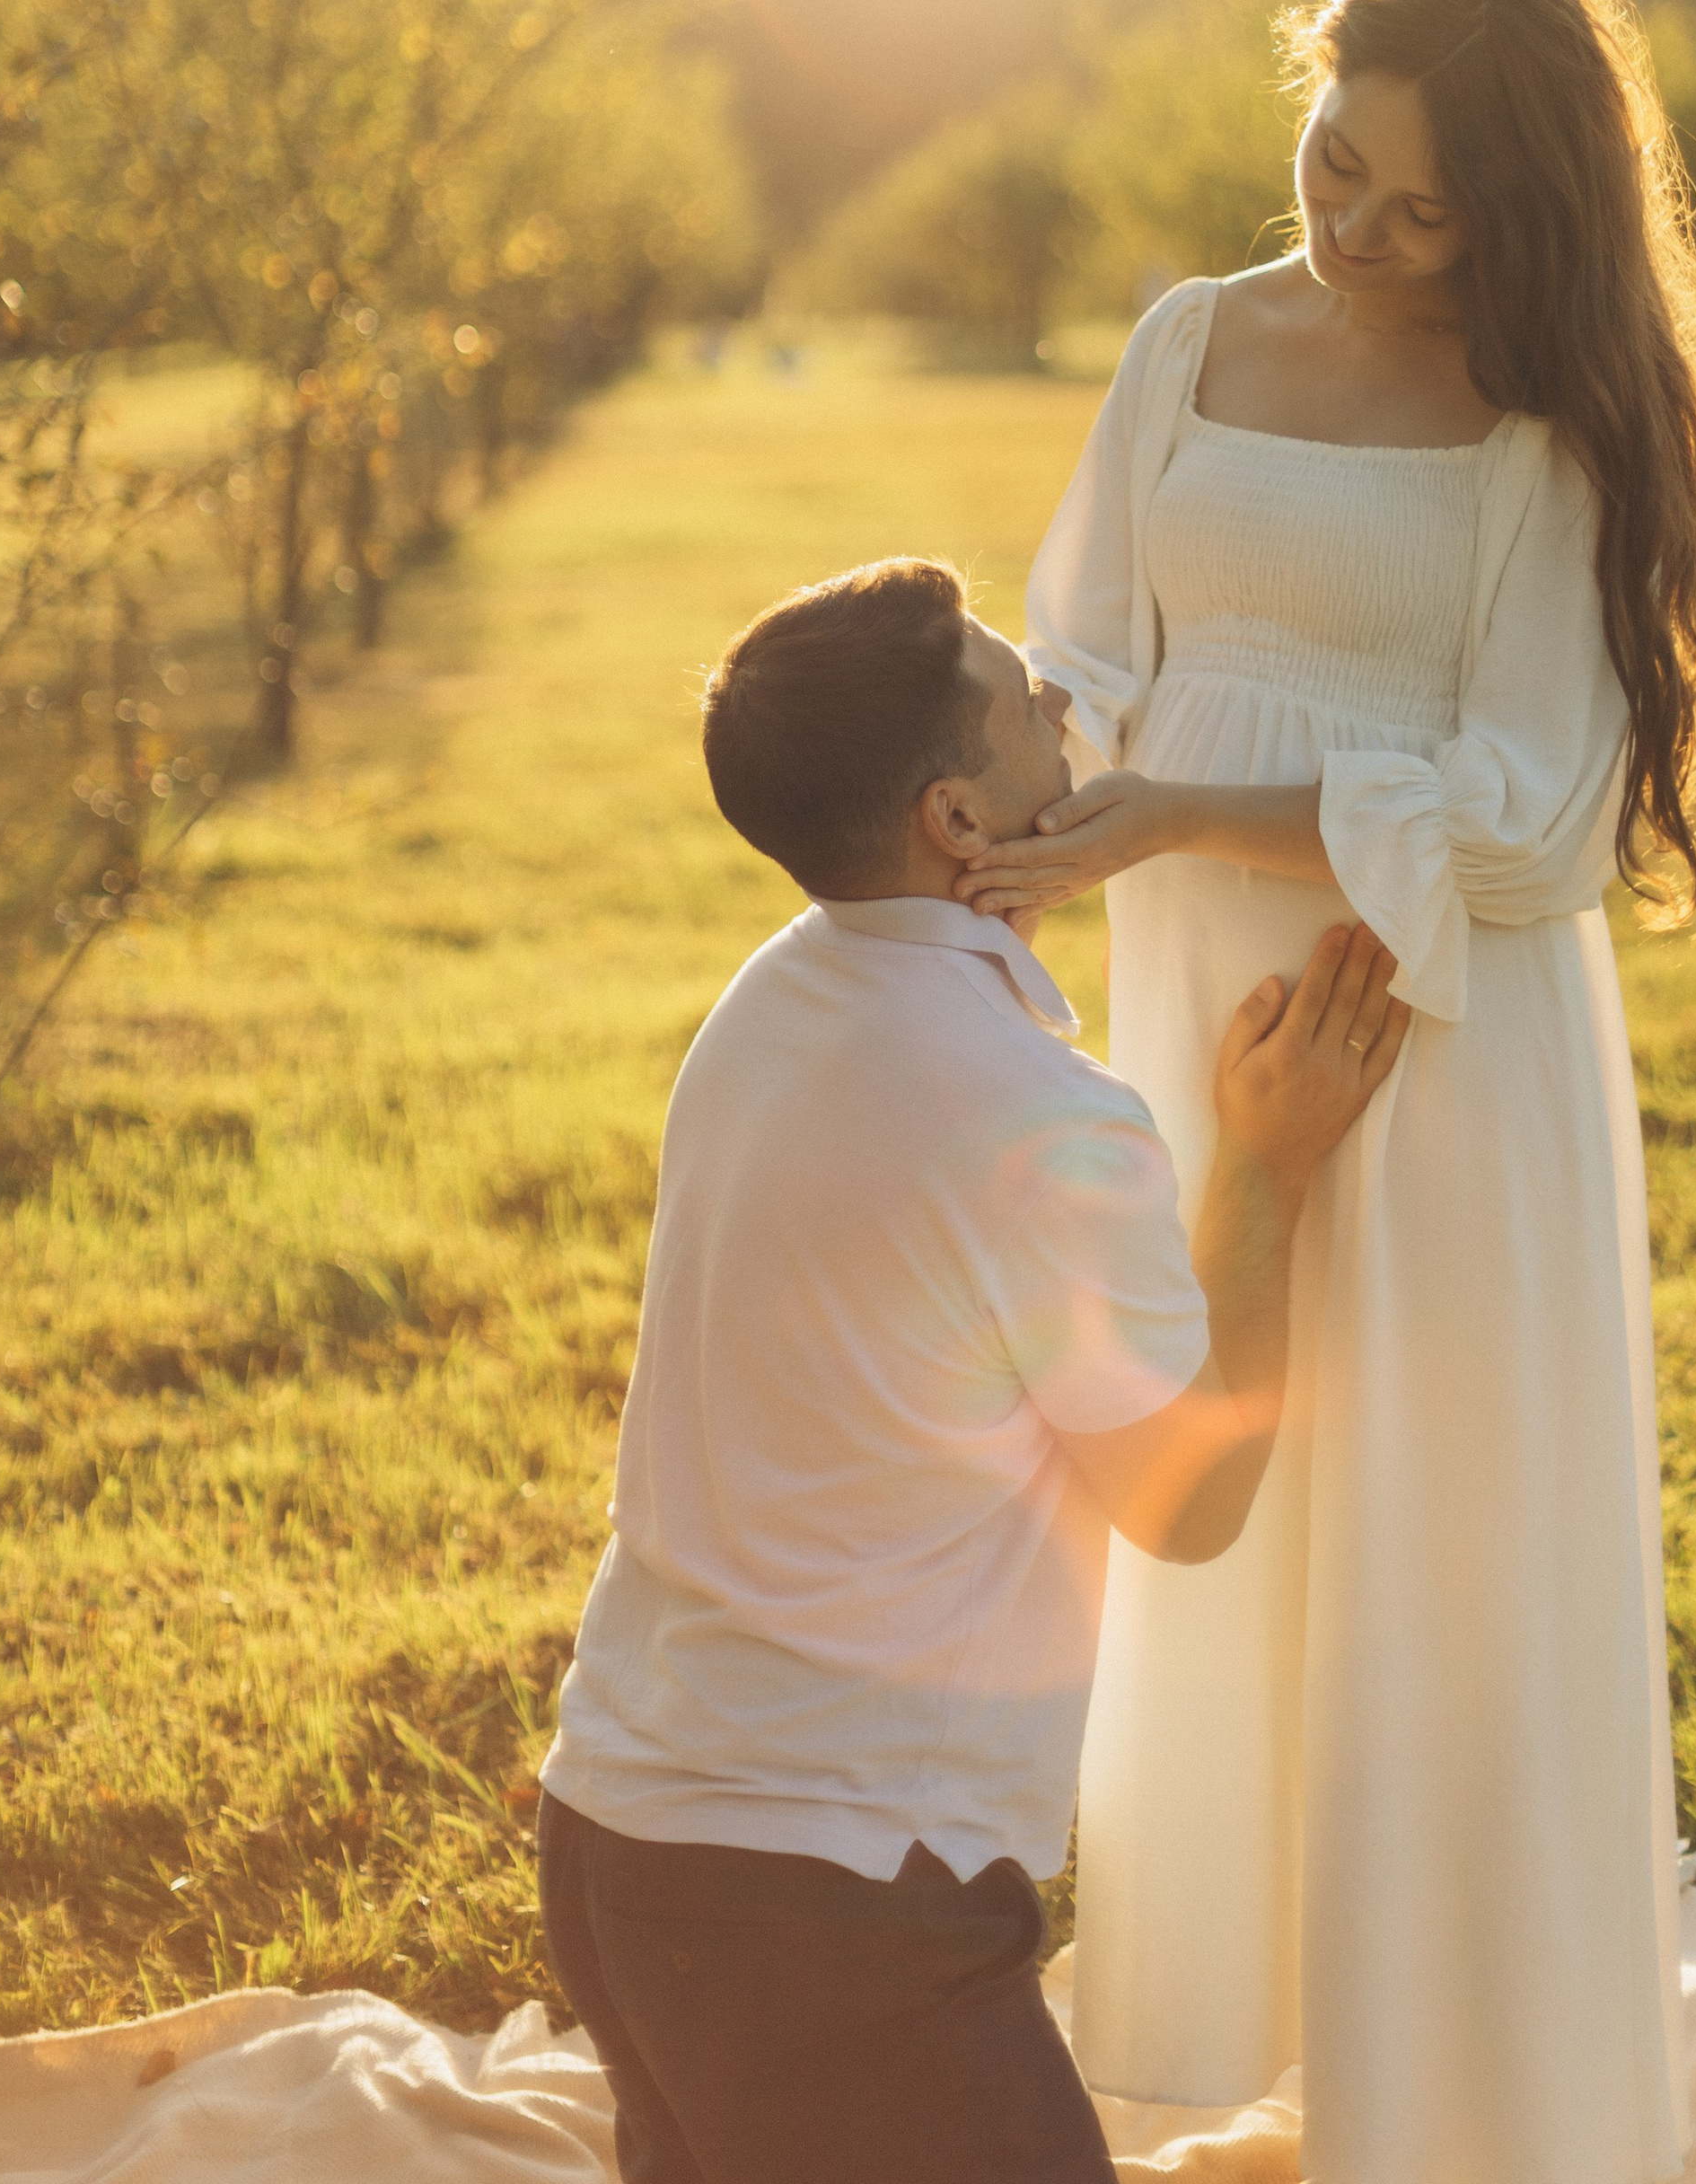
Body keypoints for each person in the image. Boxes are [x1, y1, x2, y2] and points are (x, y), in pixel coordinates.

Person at [954, 0, 1696, 2184]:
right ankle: (1250, 2022)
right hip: (1186, 991)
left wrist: (1195, 809)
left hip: (1434, 1027)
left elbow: (1517, 823)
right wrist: (1034, 803)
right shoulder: (1187, 341)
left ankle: (1473, 2095)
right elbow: (1087, 648)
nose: (1364, 234)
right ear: (1306, 98)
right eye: (1340, 165)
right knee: (1228, 1484)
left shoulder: (1553, 416)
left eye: (1430, 213)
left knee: (1436, 1536)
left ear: (1525, 216)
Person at [538, 555, 1409, 2184]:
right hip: (828, 1908)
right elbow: (1191, 1495)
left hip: (613, 1839)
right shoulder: (1027, 1109)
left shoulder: (770, 1000)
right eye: (1025, 706)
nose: (1064, 711)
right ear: (956, 815)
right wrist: (1267, 1170)